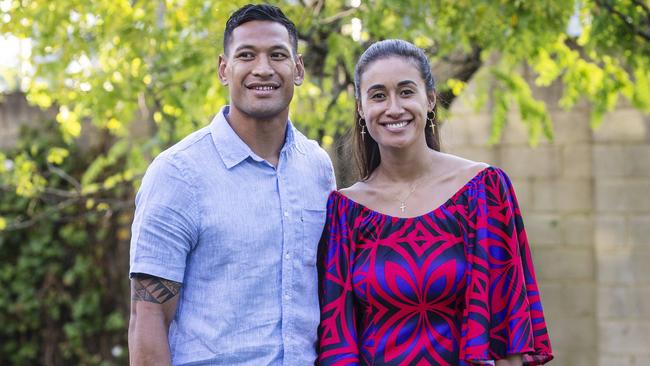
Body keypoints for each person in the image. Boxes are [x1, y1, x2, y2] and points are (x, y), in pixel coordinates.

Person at [317, 39, 553, 366]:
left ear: (429, 99)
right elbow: (337, 344)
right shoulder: (344, 212)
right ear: (361, 107)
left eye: (406, 91)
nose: (394, 107)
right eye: (379, 95)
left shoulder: (482, 192)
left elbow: (508, 340)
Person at [128, 4, 335, 365]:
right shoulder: (178, 174)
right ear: (224, 69)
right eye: (246, 55)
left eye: (277, 55)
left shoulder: (317, 168)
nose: (263, 68)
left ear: (298, 68)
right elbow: (147, 321)